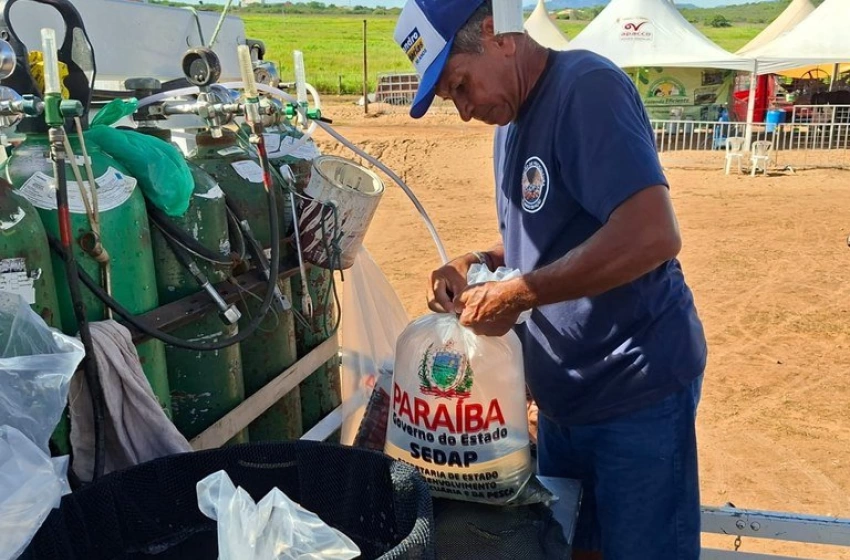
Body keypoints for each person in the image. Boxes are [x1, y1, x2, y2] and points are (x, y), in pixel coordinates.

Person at [393, 1, 708, 559]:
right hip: (565, 407)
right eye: (451, 99)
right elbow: (546, 232)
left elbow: (651, 233)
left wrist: (520, 294)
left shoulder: (586, 90)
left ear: (498, 35)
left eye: (461, 86)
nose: (466, 110)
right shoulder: (509, 125)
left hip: (633, 396)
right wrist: (472, 261)